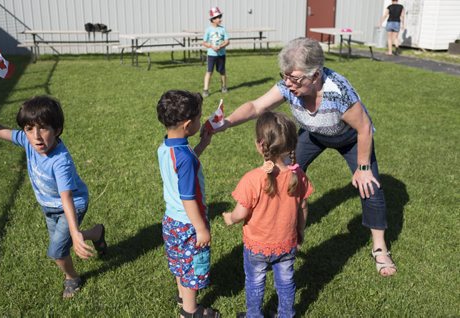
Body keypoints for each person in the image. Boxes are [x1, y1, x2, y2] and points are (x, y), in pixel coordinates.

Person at [216, 37, 397, 277]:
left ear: (316, 75)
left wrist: (363, 167)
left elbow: (364, 127)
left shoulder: (338, 92)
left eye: (296, 78)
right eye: (285, 76)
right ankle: (279, 234)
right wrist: (226, 123)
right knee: (282, 175)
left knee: (370, 187)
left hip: (351, 138)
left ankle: (380, 248)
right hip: (314, 134)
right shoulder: (289, 85)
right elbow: (257, 107)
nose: (289, 84)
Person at [0, 76, 107, 298]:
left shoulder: (60, 160)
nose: (36, 136)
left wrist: (73, 229)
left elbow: (67, 197)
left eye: (43, 128)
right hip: (49, 207)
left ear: (58, 129)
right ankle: (96, 233)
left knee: (57, 251)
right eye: (29, 128)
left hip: (71, 205)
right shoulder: (26, 140)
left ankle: (72, 278)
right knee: (66, 241)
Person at [223, 112, 313, 318]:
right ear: (291, 145)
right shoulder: (297, 175)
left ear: (259, 144)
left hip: (257, 245)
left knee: (255, 280)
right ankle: (285, 315)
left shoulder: (252, 179)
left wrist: (229, 218)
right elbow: (303, 207)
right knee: (286, 280)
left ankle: (253, 315)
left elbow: (240, 212)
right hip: (286, 243)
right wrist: (300, 232)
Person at [156, 90, 220, 318]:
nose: (201, 120)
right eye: (199, 117)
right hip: (189, 224)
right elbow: (188, 197)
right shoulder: (183, 157)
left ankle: (183, 297)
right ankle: (190, 311)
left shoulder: (166, 148)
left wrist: (203, 142)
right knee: (193, 265)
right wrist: (201, 228)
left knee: (178, 260)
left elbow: (186, 163)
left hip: (171, 221)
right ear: (188, 124)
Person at [202, 6, 230, 98]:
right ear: (213, 19)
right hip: (211, 55)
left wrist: (221, 46)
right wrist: (211, 46)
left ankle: (224, 87)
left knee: (222, 71)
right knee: (209, 71)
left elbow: (227, 41)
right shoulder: (208, 30)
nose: (219, 19)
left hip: (221, 55)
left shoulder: (223, 29)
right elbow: (204, 42)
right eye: (217, 17)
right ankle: (206, 89)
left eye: (220, 17)